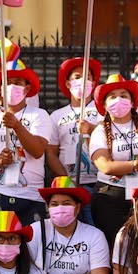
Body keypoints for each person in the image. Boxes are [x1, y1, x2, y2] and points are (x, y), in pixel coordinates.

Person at [0, 60, 51, 225]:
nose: (12, 87)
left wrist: (17, 125)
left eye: (18, 82)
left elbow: (38, 151)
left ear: (27, 89)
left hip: (32, 196)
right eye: (7, 82)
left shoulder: (40, 115)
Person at [89, 74, 138, 242]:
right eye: (112, 96)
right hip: (110, 196)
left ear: (132, 101)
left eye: (123, 95)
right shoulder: (100, 131)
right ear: (104, 105)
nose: (118, 100)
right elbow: (105, 166)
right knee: (115, 244)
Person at [46, 57, 102, 224]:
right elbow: (51, 153)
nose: (82, 81)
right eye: (77, 77)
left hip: (98, 183)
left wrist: (91, 129)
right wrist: (66, 180)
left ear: (93, 83)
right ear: (68, 83)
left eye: (87, 77)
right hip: (70, 185)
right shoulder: (57, 116)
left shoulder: (103, 112)